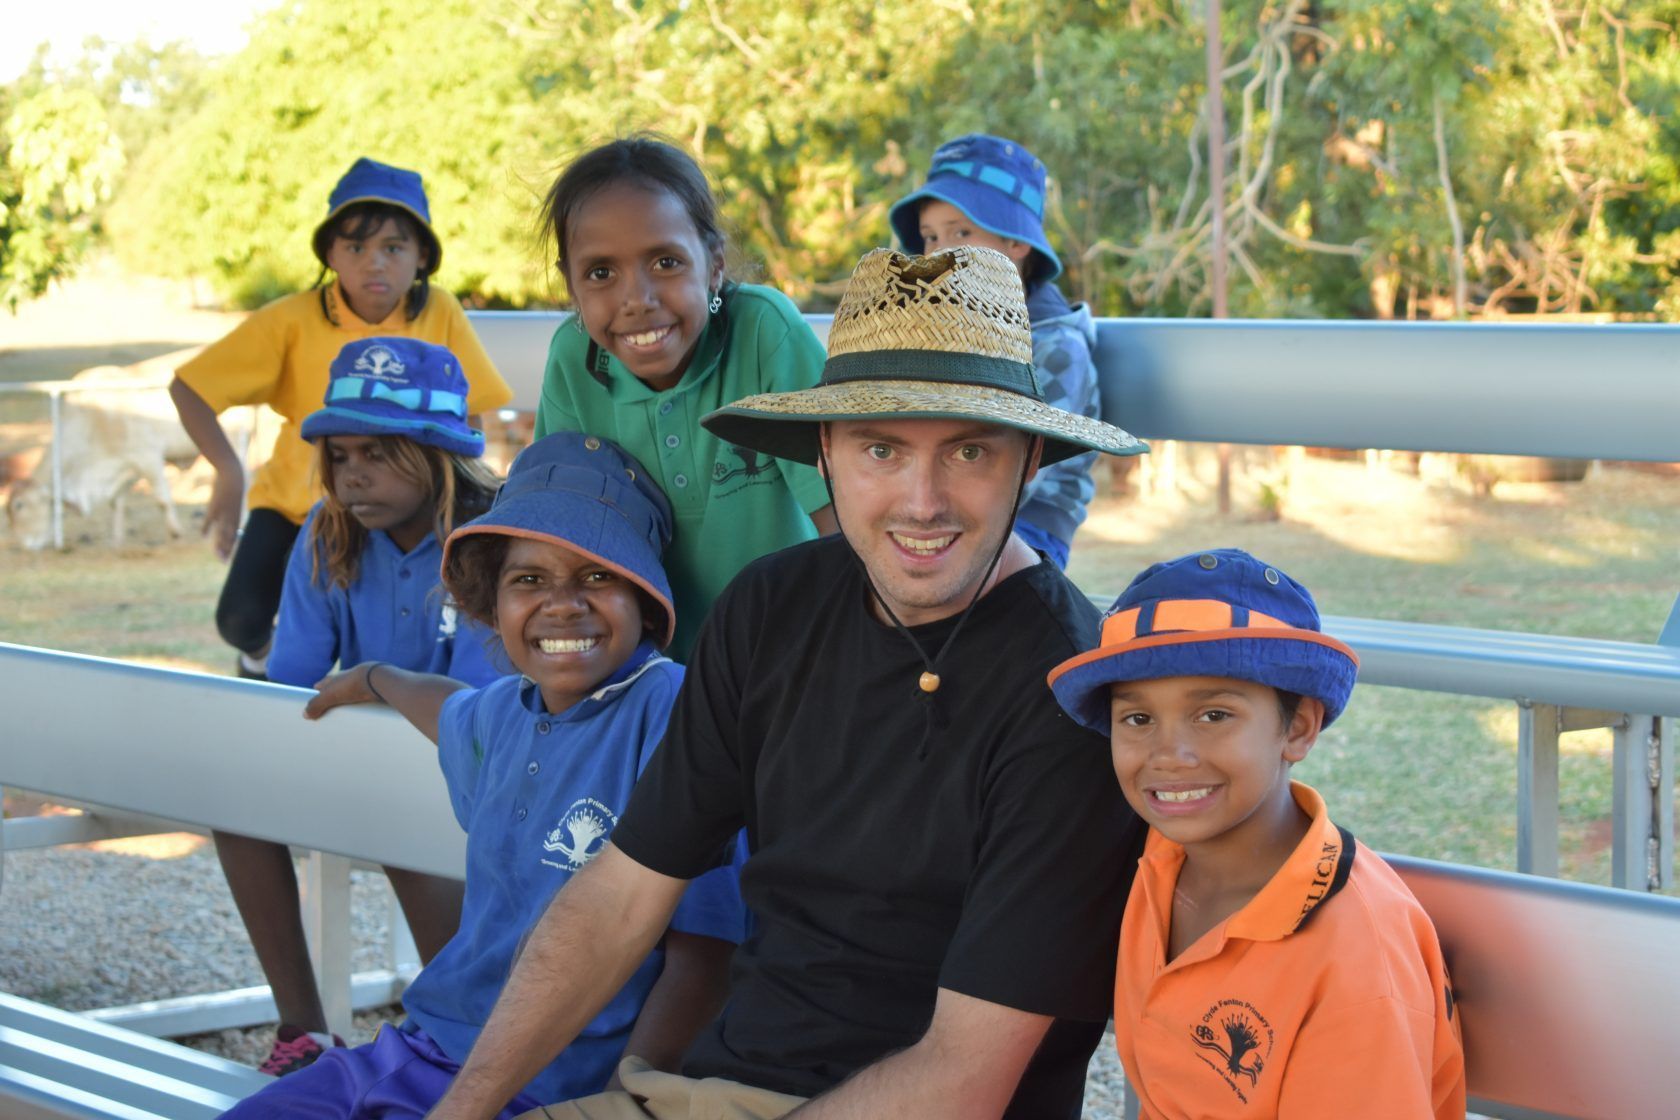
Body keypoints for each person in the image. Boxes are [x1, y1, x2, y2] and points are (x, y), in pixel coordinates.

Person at [423, 245, 1149, 1120]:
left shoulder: (1073, 689)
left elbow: (965, 1077)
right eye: (882, 449)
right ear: (825, 454)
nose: (923, 501)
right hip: (718, 1089)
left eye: (968, 451)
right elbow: (620, 893)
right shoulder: (771, 607)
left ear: (1030, 460)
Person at [221, 431, 746, 1118]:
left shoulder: (670, 711)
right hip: (420, 1050)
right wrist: (380, 677)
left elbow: (703, 957)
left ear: (647, 602)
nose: (562, 603)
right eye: (528, 579)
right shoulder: (507, 713)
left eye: (597, 576)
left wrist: (624, 1099)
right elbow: (449, 709)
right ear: (489, 606)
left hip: (556, 1081)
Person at [1047, 548, 1467, 1118]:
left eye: (1213, 714)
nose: (1169, 756)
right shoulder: (1159, 858)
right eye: (1138, 719)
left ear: (1297, 728)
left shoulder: (1355, 960)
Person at [221, 337, 503, 1075]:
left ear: (433, 453)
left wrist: (374, 684)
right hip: (374, 752)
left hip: (491, 762)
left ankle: (462, 1036)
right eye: (340, 457)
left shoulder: (493, 537)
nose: (351, 477)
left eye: (374, 454)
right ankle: (303, 1031)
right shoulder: (326, 532)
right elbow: (294, 688)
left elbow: (481, 709)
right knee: (236, 812)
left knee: (400, 824)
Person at [168, 156, 512, 683]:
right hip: (299, 507)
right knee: (241, 619)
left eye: (393, 248)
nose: (374, 263)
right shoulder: (291, 318)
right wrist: (229, 473)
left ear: (422, 256)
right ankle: (260, 670)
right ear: (330, 252)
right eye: (355, 247)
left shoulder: (438, 311)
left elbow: (470, 414)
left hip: (420, 509)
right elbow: (190, 386)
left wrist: (462, 492)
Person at [534, 135, 836, 658]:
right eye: (601, 273)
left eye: (666, 263)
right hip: (647, 671)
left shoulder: (765, 332)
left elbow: (846, 518)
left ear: (714, 264)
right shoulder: (571, 360)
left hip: (793, 651)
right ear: (571, 286)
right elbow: (559, 535)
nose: (638, 301)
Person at [890, 133, 1101, 570]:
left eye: (961, 232)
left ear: (1016, 243)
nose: (940, 252)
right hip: (939, 510)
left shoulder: (1057, 347)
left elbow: (1029, 474)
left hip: (1028, 526)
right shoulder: (931, 330)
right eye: (930, 237)